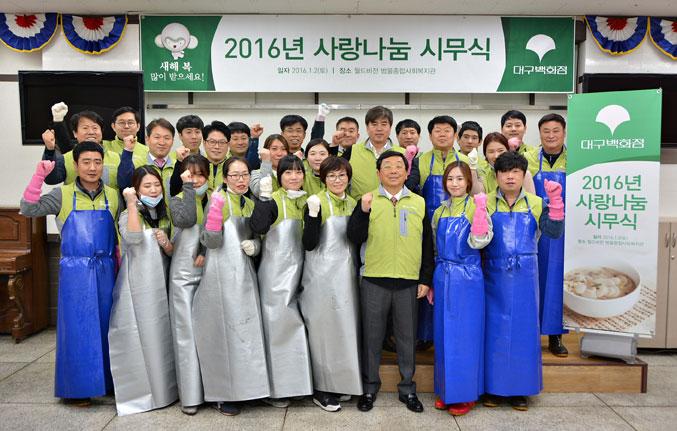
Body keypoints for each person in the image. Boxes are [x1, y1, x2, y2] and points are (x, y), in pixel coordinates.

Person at [20, 142, 119, 405]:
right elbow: (28, 209)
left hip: (107, 270)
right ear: (75, 165)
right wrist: (38, 177)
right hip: (75, 273)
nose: (92, 167)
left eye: (97, 162)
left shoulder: (114, 195)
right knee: (77, 329)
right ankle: (77, 389)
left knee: (109, 327)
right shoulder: (62, 194)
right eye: (86, 162)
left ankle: (109, 383)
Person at [348, 151, 434, 414]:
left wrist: (425, 278)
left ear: (407, 173)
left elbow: (427, 244)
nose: (394, 170)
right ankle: (369, 388)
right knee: (371, 338)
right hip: (374, 278)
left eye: (399, 166)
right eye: (387, 166)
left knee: (407, 339)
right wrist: (363, 212)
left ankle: (408, 389)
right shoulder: (368, 200)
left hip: (408, 281)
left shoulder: (418, 202)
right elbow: (354, 236)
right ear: (378, 173)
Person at [482, 151, 564, 411]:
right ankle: (493, 388)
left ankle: (520, 390)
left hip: (526, 277)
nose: (510, 177)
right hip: (493, 276)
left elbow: (553, 232)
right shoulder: (485, 203)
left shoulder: (536, 202)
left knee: (523, 332)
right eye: (505, 172)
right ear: (496, 176)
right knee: (494, 332)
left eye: (516, 171)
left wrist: (556, 205)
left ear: (523, 175)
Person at [197, 157, 270, 416]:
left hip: (245, 275)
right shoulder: (217, 200)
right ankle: (223, 394)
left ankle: (250, 388)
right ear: (225, 178)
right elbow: (209, 242)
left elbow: (259, 239)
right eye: (235, 175)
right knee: (222, 332)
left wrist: (255, 247)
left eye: (244, 175)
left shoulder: (250, 204)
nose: (240, 180)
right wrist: (214, 215)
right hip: (219, 274)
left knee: (246, 332)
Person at [405, 115, 481, 350]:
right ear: (429, 136)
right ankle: (425, 335)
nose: (442, 134)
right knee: (428, 277)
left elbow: (477, 193)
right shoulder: (421, 160)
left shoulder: (466, 161)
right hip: (428, 225)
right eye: (437, 130)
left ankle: (455, 337)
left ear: (455, 135)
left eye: (447, 130)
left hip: (461, 230)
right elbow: (412, 190)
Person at [108, 166, 177, 415]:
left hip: (162, 282)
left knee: (163, 336)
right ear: (136, 189)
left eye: (157, 185)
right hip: (137, 285)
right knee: (141, 335)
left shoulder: (165, 213)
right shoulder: (128, 214)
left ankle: (168, 390)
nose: (153, 190)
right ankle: (142, 394)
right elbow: (134, 238)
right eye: (147, 186)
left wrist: (167, 244)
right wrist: (130, 204)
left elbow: (173, 250)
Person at [250, 155, 313, 406]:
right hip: (275, 275)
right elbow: (258, 226)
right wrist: (264, 200)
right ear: (279, 176)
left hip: (303, 273)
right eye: (288, 173)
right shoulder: (274, 199)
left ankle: (298, 384)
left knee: (299, 329)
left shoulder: (308, 200)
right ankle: (277, 388)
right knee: (277, 328)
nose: (294, 177)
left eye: (298, 172)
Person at [300, 156, 362, 412]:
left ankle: (342, 382)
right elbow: (309, 243)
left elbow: (357, 237)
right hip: (320, 276)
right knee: (323, 330)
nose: (337, 180)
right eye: (332, 176)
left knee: (345, 328)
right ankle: (322, 389)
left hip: (346, 275)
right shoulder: (315, 201)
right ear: (323, 179)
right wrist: (313, 216)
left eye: (342, 175)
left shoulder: (354, 203)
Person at [431, 161, 492, 417]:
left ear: (468, 182)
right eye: (450, 179)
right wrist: (432, 281)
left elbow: (480, 242)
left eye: (459, 179)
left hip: (468, 278)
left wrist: (480, 217)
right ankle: (446, 391)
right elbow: (435, 247)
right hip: (443, 275)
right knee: (443, 335)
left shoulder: (476, 207)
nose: (454, 184)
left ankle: (465, 394)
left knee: (465, 336)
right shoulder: (439, 211)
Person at [167, 154, 211, 415]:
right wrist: (187, 189)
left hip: (211, 270)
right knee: (185, 332)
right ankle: (191, 394)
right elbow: (187, 220)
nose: (195, 179)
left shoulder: (216, 198)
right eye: (189, 174)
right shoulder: (176, 199)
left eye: (200, 174)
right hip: (183, 273)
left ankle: (215, 390)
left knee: (210, 331)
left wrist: (204, 250)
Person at [527, 113, 569, 357]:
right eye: (546, 131)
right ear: (540, 133)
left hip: (564, 230)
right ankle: (531, 334)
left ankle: (555, 335)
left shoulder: (576, 159)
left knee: (557, 281)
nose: (551, 135)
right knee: (534, 279)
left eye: (556, 131)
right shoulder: (530, 158)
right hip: (536, 228)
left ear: (564, 132)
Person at [42, 109, 122, 189]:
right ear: (75, 133)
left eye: (95, 128)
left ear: (101, 132)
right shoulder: (65, 158)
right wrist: (50, 149)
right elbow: (50, 179)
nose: (91, 132)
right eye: (85, 128)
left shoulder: (118, 157)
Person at [346, 106, 405, 200]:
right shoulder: (352, 150)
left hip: (392, 206)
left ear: (390, 127)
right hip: (359, 206)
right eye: (374, 124)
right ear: (367, 127)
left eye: (384, 124)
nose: (379, 129)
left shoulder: (402, 153)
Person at [118, 118, 177, 192]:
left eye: (167, 138)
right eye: (157, 137)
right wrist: (128, 150)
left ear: (172, 141)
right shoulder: (135, 164)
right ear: (147, 139)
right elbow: (124, 185)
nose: (162, 142)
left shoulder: (178, 166)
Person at [249, 134, 289, 199]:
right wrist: (266, 162)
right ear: (266, 151)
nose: (279, 153)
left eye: (283, 149)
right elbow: (260, 193)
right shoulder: (255, 173)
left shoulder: (293, 174)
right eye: (274, 149)